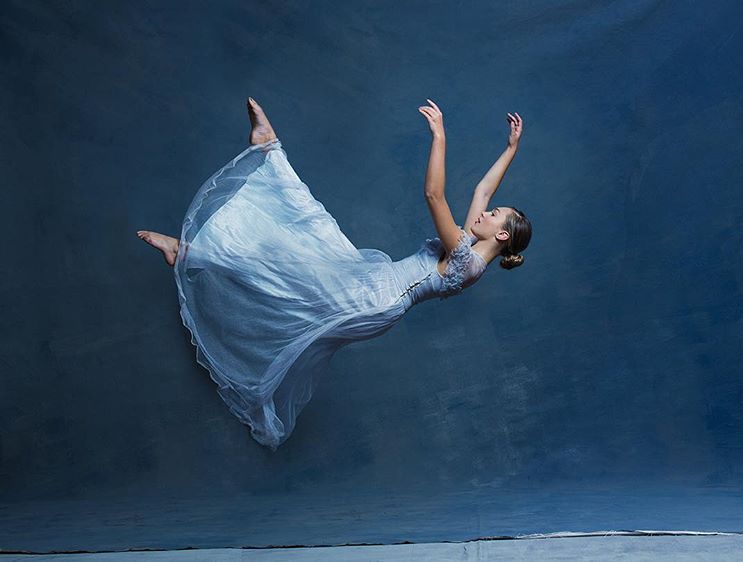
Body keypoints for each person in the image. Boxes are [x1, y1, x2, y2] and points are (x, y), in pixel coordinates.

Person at [137, 97, 532, 450]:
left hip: (374, 299)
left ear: (500, 235)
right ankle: (260, 160)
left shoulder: (466, 260)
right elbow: (482, 191)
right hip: (376, 287)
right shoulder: (469, 247)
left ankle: (196, 242)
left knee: (292, 259)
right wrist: (511, 149)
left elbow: (433, 195)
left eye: (494, 215)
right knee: (310, 239)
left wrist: (439, 135)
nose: (485, 211)